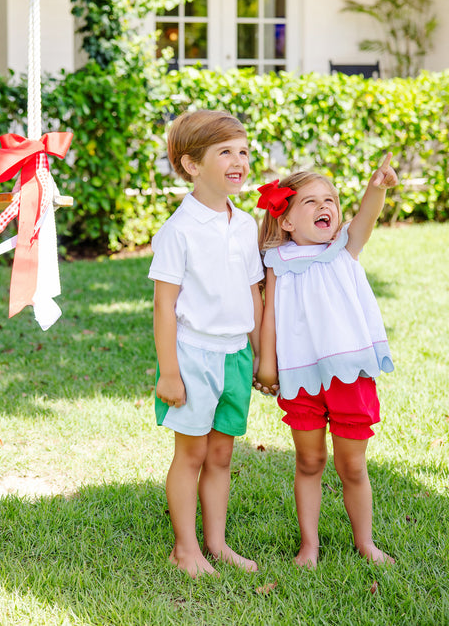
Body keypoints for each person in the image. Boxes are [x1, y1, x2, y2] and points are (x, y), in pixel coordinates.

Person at [256, 153, 398, 568]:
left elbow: (367, 216)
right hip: (300, 376)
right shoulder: (277, 261)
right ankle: (309, 545)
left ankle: (365, 542)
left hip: (349, 375)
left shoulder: (344, 247)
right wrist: (267, 363)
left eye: (330, 200)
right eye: (311, 202)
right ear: (286, 221)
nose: (325, 207)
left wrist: (376, 188)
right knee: (309, 461)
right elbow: (270, 316)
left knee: (352, 465)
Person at [149, 109, 264, 577]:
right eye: (225, 152)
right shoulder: (178, 230)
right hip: (193, 356)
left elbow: (254, 294)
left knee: (221, 455)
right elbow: (164, 306)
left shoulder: (246, 224)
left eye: (244, 151)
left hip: (236, 355)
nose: (239, 161)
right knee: (192, 454)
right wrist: (169, 373)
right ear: (192, 165)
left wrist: (261, 355)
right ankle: (185, 549)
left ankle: (216, 544)